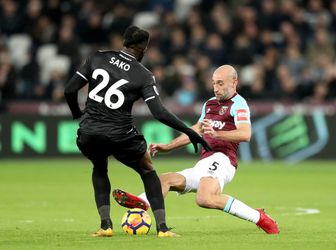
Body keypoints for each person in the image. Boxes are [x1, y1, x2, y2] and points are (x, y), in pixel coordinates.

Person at [64, 26, 212, 238]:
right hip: (120, 133)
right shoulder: (143, 75)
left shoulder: (96, 58)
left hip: (89, 130)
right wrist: (189, 131)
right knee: (147, 170)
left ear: (124, 42)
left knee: (99, 166)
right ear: (144, 50)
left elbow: (69, 90)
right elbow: (159, 113)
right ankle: (162, 228)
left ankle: (105, 226)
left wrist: (77, 114)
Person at [113, 65, 280, 234]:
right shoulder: (209, 104)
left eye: (220, 83)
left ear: (234, 82)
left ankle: (259, 218)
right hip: (203, 164)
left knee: (204, 198)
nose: (216, 88)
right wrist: (168, 147)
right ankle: (142, 202)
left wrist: (217, 134)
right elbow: (196, 130)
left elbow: (245, 134)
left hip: (222, 160)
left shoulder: (239, 104)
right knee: (163, 180)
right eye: (214, 83)